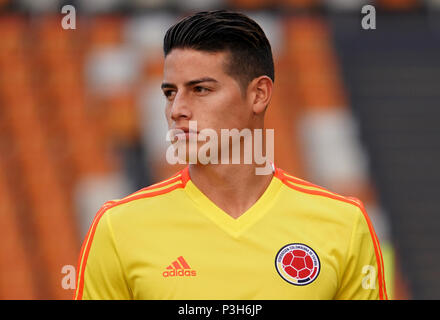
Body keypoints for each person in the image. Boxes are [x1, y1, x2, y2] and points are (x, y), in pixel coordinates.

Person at [74, 10, 387, 300]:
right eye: (170, 93)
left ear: (258, 94)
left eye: (201, 90)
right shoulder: (119, 228)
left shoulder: (343, 224)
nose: (177, 110)